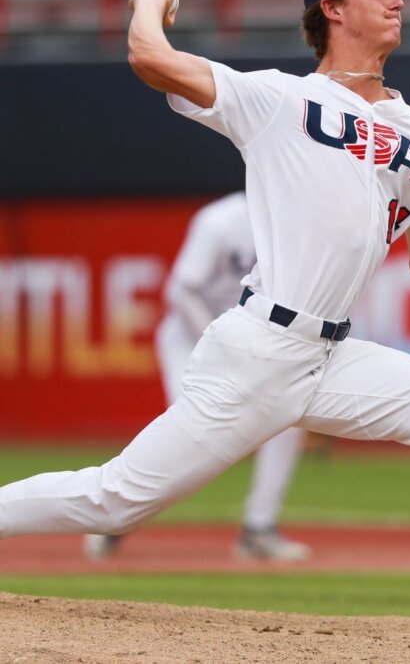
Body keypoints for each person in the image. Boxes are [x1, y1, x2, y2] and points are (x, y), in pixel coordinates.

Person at [0, 0, 410, 658]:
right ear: (331, 8)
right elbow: (151, 58)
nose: (397, 1)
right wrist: (149, 3)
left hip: (329, 356)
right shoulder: (279, 99)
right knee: (112, 499)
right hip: (257, 352)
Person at [84, 191, 311, 562]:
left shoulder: (299, 223)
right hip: (191, 339)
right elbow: (181, 290)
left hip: (251, 342)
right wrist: (216, 340)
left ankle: (258, 528)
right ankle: (116, 518)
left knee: (290, 420)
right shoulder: (220, 221)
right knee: (189, 438)